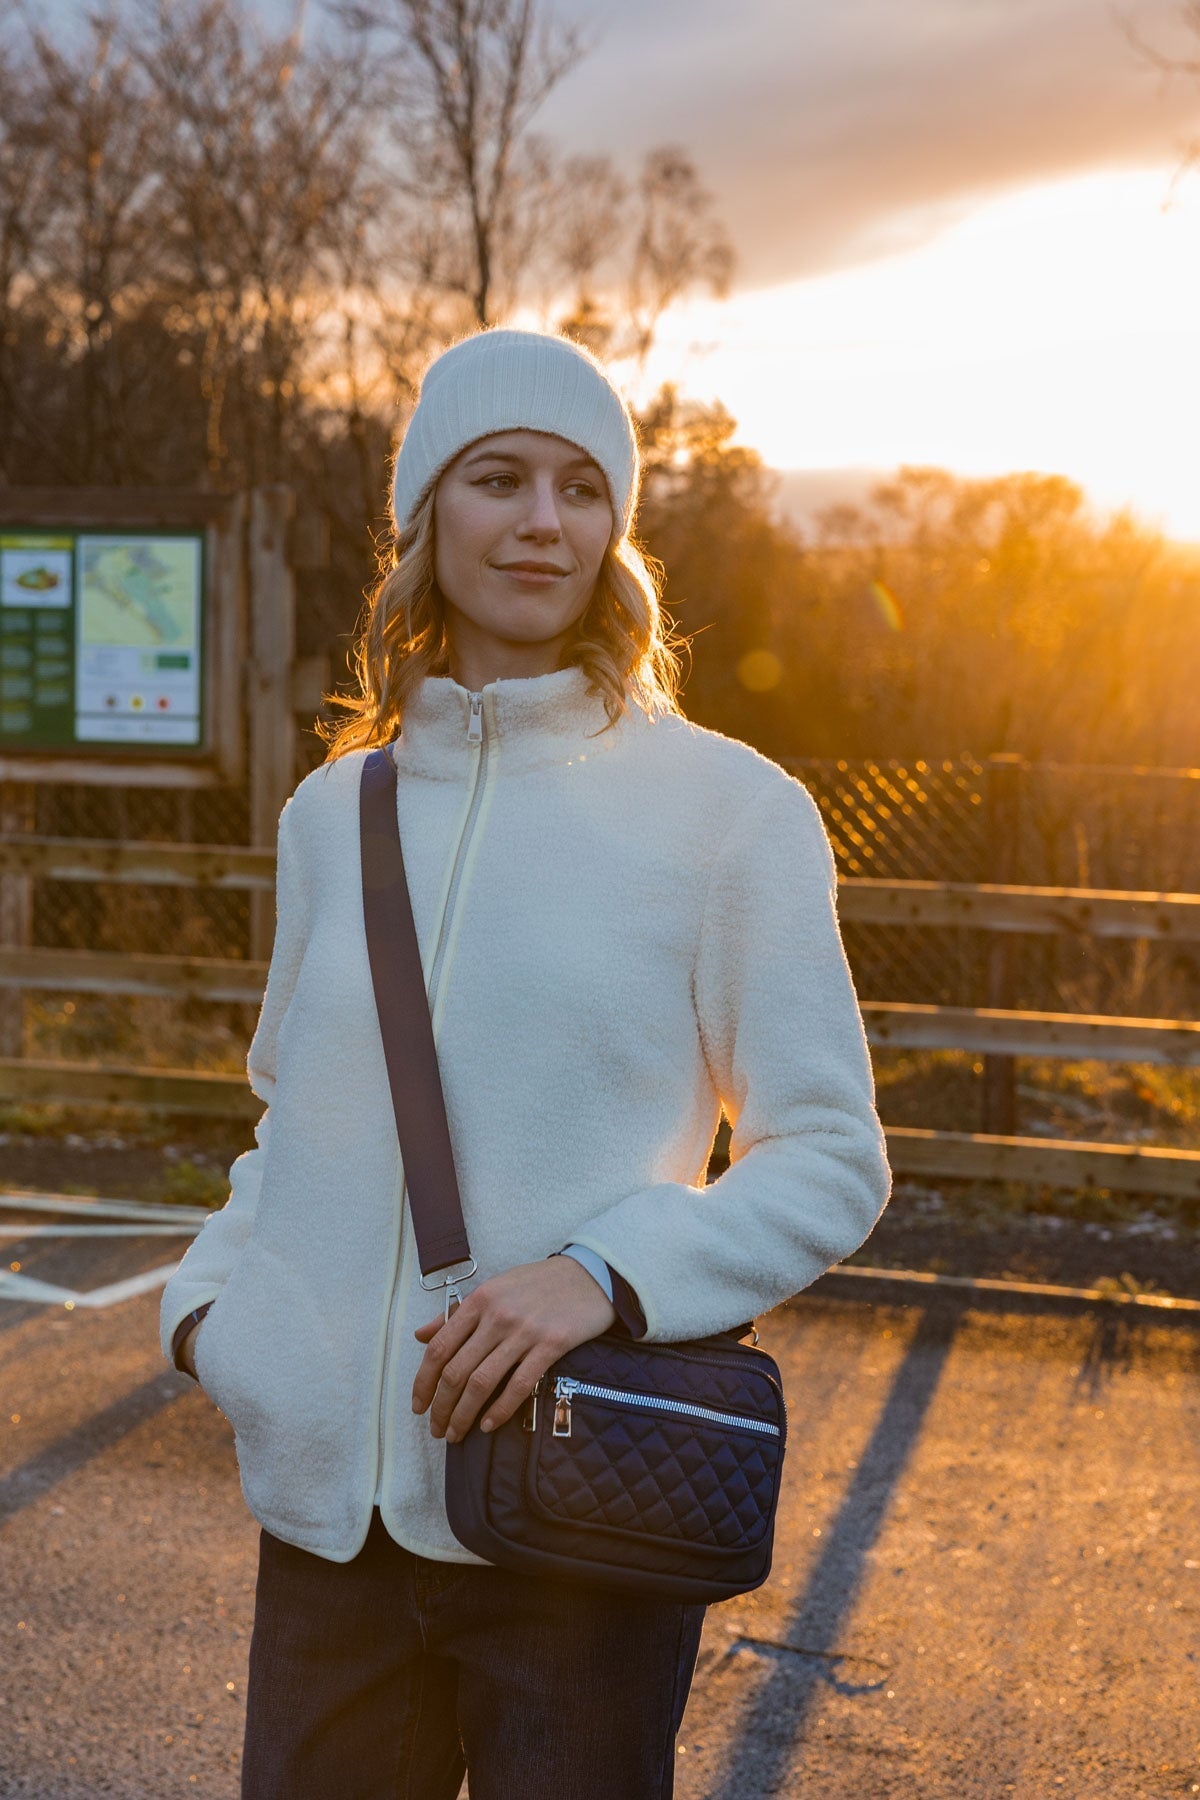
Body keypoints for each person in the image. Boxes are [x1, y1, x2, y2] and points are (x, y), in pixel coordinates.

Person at [160, 327, 891, 1800]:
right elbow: (292, 1118)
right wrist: (210, 1319)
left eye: (581, 488)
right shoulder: (335, 816)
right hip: (329, 1536)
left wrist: (607, 1274)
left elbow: (829, 1155)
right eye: (497, 480)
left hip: (574, 1528)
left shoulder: (728, 814)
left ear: (619, 532)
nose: (543, 521)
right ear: (427, 516)